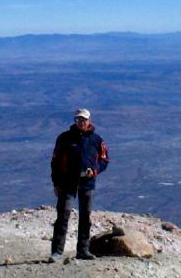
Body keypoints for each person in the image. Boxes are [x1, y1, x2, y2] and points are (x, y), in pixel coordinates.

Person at [48, 108, 109, 262]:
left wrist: (94, 171)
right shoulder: (64, 138)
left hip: (87, 183)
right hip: (67, 183)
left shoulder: (96, 140)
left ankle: (83, 250)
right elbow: (55, 161)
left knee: (85, 217)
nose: (81, 122)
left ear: (89, 121)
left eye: (84, 120)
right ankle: (57, 252)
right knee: (63, 216)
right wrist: (56, 183)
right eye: (78, 119)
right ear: (75, 121)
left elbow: (104, 160)